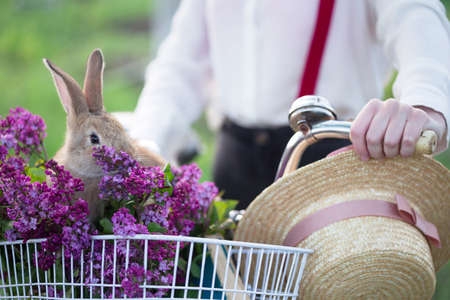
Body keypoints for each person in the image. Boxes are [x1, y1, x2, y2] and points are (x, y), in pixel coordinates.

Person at [128, 0, 449, 209]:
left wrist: (426, 103)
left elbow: (415, 18)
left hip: (331, 162)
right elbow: (179, 67)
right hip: (236, 163)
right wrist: (143, 147)